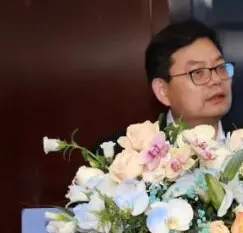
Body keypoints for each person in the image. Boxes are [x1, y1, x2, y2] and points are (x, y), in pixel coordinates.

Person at [99, 20, 235, 149]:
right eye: (197, 72)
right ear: (162, 90)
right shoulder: (122, 156)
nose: (216, 80)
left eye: (220, 67)